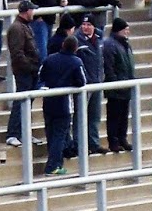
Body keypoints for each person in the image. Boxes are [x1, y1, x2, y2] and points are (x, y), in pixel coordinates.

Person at [38, 35, 86, 176]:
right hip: (64, 105)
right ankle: (53, 166)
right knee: (59, 136)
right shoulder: (76, 62)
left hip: (48, 101)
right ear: (76, 48)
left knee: (50, 133)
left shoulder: (49, 59)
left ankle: (55, 164)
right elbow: (82, 81)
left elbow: (41, 77)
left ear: (63, 44)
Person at [5, 0, 41, 148]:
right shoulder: (17, 28)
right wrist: (30, 66)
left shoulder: (24, 26)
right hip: (24, 72)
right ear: (26, 11)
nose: (33, 12)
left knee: (27, 103)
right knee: (21, 102)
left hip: (30, 71)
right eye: (32, 10)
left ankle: (24, 132)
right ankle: (13, 133)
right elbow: (17, 53)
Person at [102, 18, 137, 152]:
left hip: (125, 86)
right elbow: (109, 67)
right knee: (114, 116)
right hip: (116, 88)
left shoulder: (125, 44)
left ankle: (122, 138)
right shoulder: (110, 45)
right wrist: (115, 83)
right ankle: (114, 141)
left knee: (123, 115)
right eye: (125, 29)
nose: (127, 31)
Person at [75, 16, 107, 154]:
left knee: (94, 116)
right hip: (85, 84)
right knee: (80, 116)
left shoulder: (99, 39)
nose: (85, 27)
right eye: (84, 24)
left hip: (97, 82)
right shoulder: (77, 40)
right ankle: (79, 144)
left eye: (88, 24)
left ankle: (93, 143)